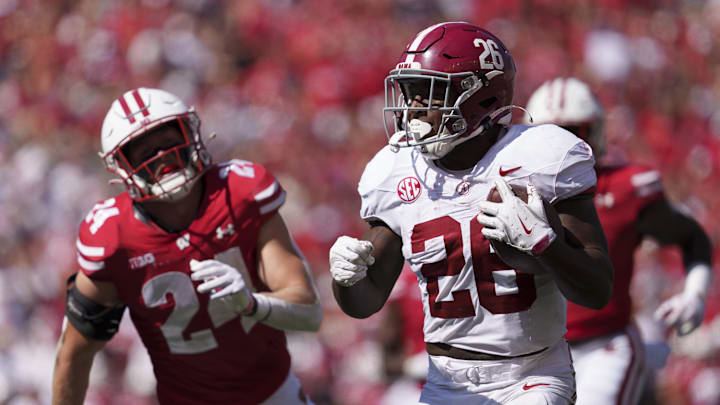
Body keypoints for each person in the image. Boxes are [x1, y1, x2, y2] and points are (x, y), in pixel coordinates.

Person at [329, 22, 614, 405]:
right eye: (410, 93)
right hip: (445, 383)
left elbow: (597, 290)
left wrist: (546, 245)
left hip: (528, 376)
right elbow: (365, 303)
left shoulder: (542, 156)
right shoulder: (393, 171)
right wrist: (346, 278)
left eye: (428, 93)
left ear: (480, 96)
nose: (413, 107)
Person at [52, 88, 322, 405]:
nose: (161, 157)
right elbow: (74, 352)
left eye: (168, 142)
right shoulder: (113, 236)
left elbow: (309, 313)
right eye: (144, 153)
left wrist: (251, 304)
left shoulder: (240, 192)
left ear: (190, 133)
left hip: (275, 395)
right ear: (121, 167)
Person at [524, 77, 713, 405]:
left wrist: (695, 294)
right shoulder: (509, 188)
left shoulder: (626, 188)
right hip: (537, 352)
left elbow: (693, 237)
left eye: (570, 133)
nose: (559, 146)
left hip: (604, 346)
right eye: (547, 134)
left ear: (593, 133)